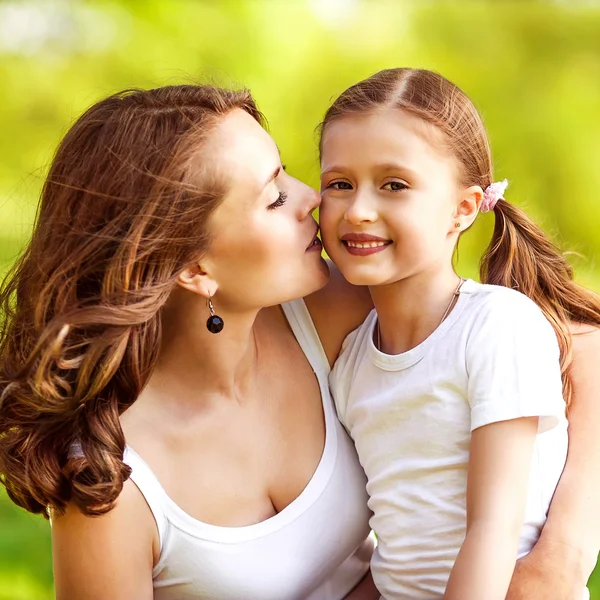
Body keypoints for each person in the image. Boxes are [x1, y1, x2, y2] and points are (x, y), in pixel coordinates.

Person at [0, 85, 377, 600]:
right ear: (195, 268)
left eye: (284, 170)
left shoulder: (337, 312)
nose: (311, 196)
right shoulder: (113, 484)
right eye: (275, 197)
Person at [318, 67, 600, 600]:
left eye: (394, 185)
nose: (358, 210)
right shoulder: (353, 358)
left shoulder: (496, 326)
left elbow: (492, 531)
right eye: (339, 184)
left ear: (464, 208)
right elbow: (398, 547)